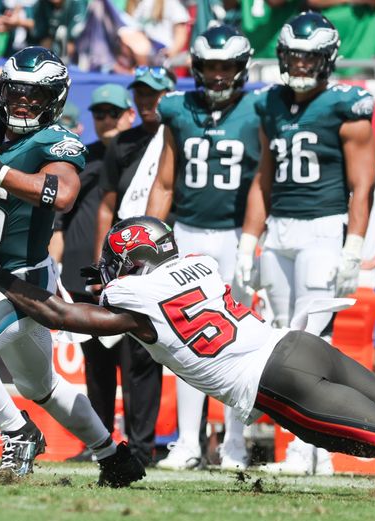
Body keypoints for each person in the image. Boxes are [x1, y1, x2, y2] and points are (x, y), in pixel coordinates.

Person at [0, 215, 375, 505]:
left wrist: (4, 279)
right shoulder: (199, 265)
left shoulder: (132, 296)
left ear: (130, 265)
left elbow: (63, 316)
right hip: (294, 344)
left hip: (272, 380)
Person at [0, 46, 144, 487]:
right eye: (16, 91)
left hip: (20, 281)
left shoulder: (56, 140)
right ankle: (114, 456)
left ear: (54, 99)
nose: (22, 102)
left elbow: (64, 194)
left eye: (35, 95)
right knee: (43, 387)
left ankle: (18, 432)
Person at [237, 11, 375, 475]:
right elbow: (263, 178)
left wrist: (354, 246)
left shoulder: (346, 104)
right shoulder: (270, 103)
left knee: (311, 343)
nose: (300, 64)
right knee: (280, 340)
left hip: (323, 228)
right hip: (279, 230)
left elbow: (363, 185)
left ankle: (314, 451)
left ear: (327, 59)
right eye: (294, 56)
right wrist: (249, 241)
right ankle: (301, 449)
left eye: (309, 57)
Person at [146, 24, 257, 471]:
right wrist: (148, 238)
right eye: (210, 66)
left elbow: (265, 182)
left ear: (241, 67)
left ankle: (235, 443)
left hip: (236, 234)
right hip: (188, 233)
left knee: (239, 342)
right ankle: (188, 441)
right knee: (183, 340)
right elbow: (165, 181)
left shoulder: (259, 109)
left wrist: (256, 237)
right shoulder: (178, 109)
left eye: (226, 66)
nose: (217, 74)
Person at [93, 65, 175, 467]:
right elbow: (107, 206)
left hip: (164, 253)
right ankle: (105, 443)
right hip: (125, 254)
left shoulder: (177, 136)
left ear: (169, 94)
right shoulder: (123, 143)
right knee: (110, 349)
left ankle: (146, 446)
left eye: (154, 93)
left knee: (147, 353)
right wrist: (100, 263)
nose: (146, 101)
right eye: (140, 93)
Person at [49, 82, 135, 462]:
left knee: (136, 364)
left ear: (129, 115)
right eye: (99, 113)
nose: (105, 120)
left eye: (112, 113)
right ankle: (100, 444)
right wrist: (55, 265)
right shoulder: (83, 158)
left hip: (132, 274)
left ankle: (142, 444)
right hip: (85, 273)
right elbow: (58, 216)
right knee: (96, 366)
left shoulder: (142, 154)